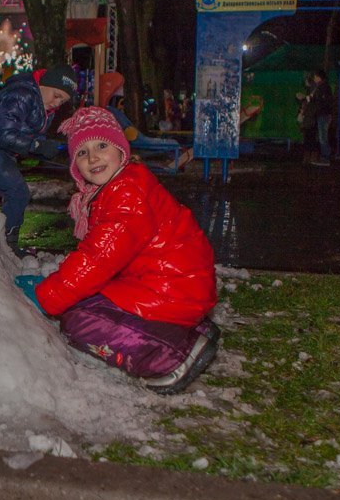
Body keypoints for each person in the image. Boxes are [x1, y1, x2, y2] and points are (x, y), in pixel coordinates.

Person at [14, 107, 219, 394]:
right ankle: (185, 332)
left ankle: (171, 356)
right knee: (90, 299)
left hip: (174, 287)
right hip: (174, 284)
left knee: (80, 321)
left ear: (121, 149)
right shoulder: (118, 186)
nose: (93, 157)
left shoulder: (126, 193)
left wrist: (48, 296)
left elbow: (98, 258)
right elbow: (101, 253)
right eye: (82, 152)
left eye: (101, 145)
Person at [0, 64, 75, 255]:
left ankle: (4, 239)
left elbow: (31, 134)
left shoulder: (43, 105)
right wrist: (37, 146)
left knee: (16, 193)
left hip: (1, 149)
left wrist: (45, 148)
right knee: (18, 192)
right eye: (56, 95)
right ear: (44, 84)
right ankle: (5, 243)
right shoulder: (22, 94)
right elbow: (6, 135)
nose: (57, 103)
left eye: (63, 101)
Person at [309, 71, 334, 166]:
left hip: (323, 114)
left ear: (319, 77)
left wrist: (313, 99)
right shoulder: (321, 87)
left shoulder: (323, 87)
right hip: (323, 114)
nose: (314, 78)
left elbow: (323, 101)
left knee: (322, 137)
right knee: (322, 136)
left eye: (315, 76)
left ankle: (325, 158)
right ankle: (325, 156)